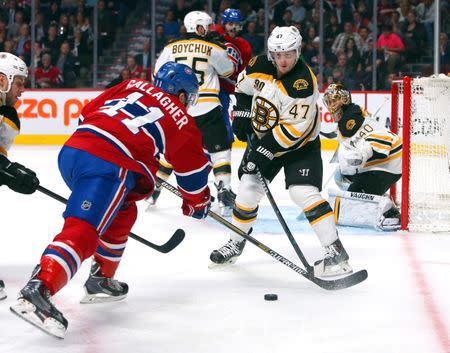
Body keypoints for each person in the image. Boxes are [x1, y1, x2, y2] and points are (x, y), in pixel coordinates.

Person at [10, 62, 211, 339]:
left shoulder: (132, 85)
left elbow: (87, 113)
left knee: (123, 210)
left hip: (74, 150)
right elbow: (193, 171)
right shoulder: (179, 116)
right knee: (83, 229)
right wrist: (196, 203)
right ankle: (39, 287)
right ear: (183, 94)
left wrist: (137, 155)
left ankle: (100, 280)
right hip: (108, 165)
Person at [209, 26, 352, 279]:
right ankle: (236, 241)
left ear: (297, 51)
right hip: (265, 140)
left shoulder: (303, 84)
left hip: (300, 146)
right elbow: (242, 89)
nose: (283, 60)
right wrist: (242, 114)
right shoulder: (258, 65)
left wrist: (262, 152)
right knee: (248, 190)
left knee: (303, 193)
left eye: (288, 54)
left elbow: (292, 132)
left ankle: (335, 251)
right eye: (278, 54)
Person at [151, 11, 235, 216]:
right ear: (199, 27)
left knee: (174, 150)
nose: (209, 30)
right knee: (220, 150)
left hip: (179, 107)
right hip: (207, 106)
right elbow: (228, 71)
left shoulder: (170, 47)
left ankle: (155, 187)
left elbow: (156, 73)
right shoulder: (212, 47)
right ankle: (224, 189)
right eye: (207, 26)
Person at [322, 83, 402, 231]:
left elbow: (382, 139)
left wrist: (364, 152)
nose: (332, 105)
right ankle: (378, 194)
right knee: (341, 176)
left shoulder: (351, 118)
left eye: (335, 100)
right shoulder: (348, 118)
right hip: (379, 164)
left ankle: (391, 212)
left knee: (355, 202)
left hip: (390, 162)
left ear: (344, 99)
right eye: (329, 102)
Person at [0, 52, 40, 300]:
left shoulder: (7, 114)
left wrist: (8, 170)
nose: (23, 90)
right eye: (19, 83)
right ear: (2, 80)